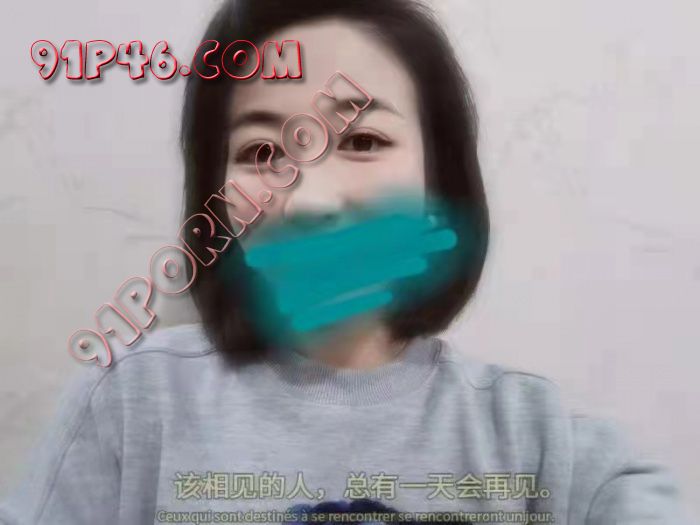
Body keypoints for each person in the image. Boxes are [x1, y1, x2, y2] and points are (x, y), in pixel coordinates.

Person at [0, 1, 694, 523]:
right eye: (261, 152)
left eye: (362, 141)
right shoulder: (129, 402)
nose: (310, 200)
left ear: (439, 179)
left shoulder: (539, 441)